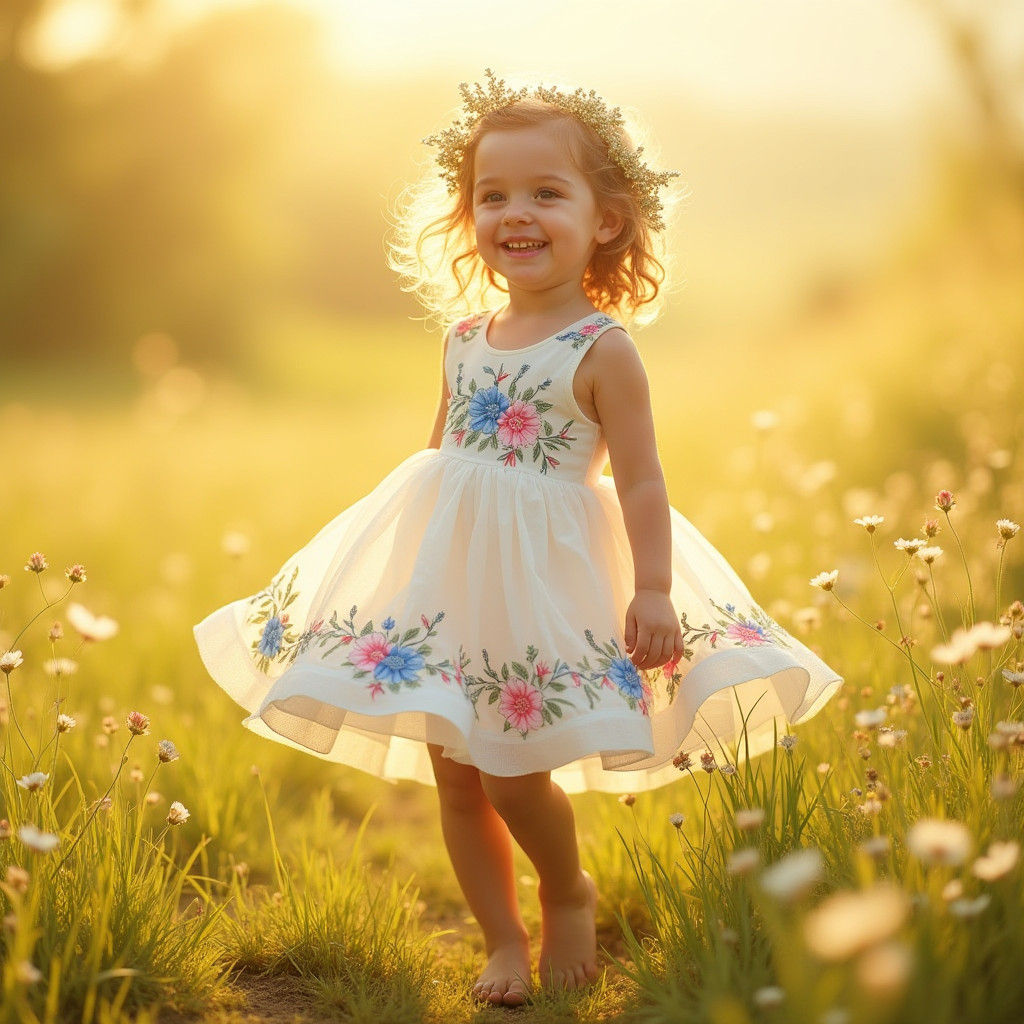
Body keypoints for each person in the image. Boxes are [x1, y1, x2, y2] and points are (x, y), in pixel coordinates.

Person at [192, 69, 843, 1007]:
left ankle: (566, 891)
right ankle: (502, 938)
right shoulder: (463, 336)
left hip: (539, 586)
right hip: (449, 582)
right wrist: (393, 581)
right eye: (492, 194)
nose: (516, 212)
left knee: (513, 770)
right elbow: (438, 461)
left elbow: (644, 479)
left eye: (546, 192)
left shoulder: (601, 349)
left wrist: (653, 589)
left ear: (605, 219)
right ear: (469, 216)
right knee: (458, 775)